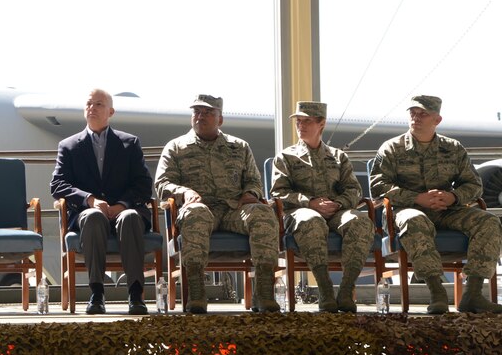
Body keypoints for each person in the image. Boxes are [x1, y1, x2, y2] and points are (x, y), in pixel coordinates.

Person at [370, 95, 502, 314]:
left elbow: (473, 184)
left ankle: (474, 294)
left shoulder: (453, 148)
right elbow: (378, 187)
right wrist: (416, 198)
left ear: (437, 120)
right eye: (413, 113)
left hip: (446, 210)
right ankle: (436, 292)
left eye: (423, 114)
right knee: (415, 220)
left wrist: (453, 197)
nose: (416, 117)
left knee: (489, 221)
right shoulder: (392, 148)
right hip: (407, 211)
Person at [155, 94, 280, 313]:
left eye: (208, 113)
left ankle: (264, 292)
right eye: (196, 112)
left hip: (234, 210)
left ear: (220, 119)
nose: (200, 116)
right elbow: (162, 184)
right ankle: (196, 291)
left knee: (263, 214)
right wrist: (184, 191)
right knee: (197, 214)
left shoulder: (239, 147)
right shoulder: (176, 147)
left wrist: (251, 194)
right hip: (199, 209)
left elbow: (254, 181)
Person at [50, 89, 154, 315]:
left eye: (98, 104)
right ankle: (97, 293)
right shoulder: (69, 146)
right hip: (88, 213)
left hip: (124, 210)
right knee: (93, 216)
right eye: (88, 104)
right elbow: (57, 185)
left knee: (130, 217)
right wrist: (89, 200)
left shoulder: (129, 143)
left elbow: (144, 185)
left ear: (111, 111)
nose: (92, 108)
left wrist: (122, 205)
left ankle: (136, 294)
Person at [271, 101, 375, 312]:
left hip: (336, 211)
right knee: (312, 220)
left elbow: (354, 190)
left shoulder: (338, 157)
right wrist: (309, 203)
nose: (300, 125)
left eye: (306, 121)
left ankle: (346, 290)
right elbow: (278, 193)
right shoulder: (286, 157)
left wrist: (337, 203)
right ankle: (325, 289)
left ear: (321, 124)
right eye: (298, 121)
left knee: (360, 221)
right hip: (300, 213)